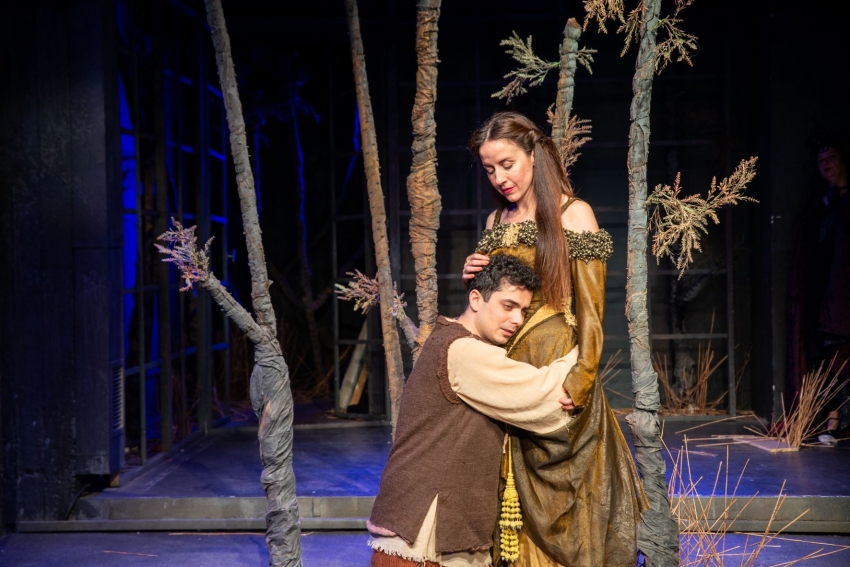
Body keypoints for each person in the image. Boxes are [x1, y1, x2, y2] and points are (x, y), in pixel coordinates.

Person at [463, 111, 647, 567]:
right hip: (505, 376)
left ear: (533, 153)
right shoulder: (495, 220)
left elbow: (592, 310)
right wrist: (475, 277)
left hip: (555, 371)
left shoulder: (573, 213)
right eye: (489, 169)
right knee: (508, 499)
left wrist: (581, 378)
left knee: (567, 500)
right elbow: (493, 305)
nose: (500, 178)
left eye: (507, 164)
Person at [368, 254, 581, 567]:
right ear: (476, 299)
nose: (517, 320)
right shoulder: (463, 350)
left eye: (523, 310)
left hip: (433, 531)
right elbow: (541, 393)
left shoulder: (451, 338)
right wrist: (584, 354)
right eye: (508, 306)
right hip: (422, 537)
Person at [788, 139, 850, 437]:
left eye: (832, 158)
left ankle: (837, 422)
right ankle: (831, 421)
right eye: (821, 160)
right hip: (824, 290)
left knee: (840, 352)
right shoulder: (821, 202)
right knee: (828, 355)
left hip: (842, 289)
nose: (826, 164)